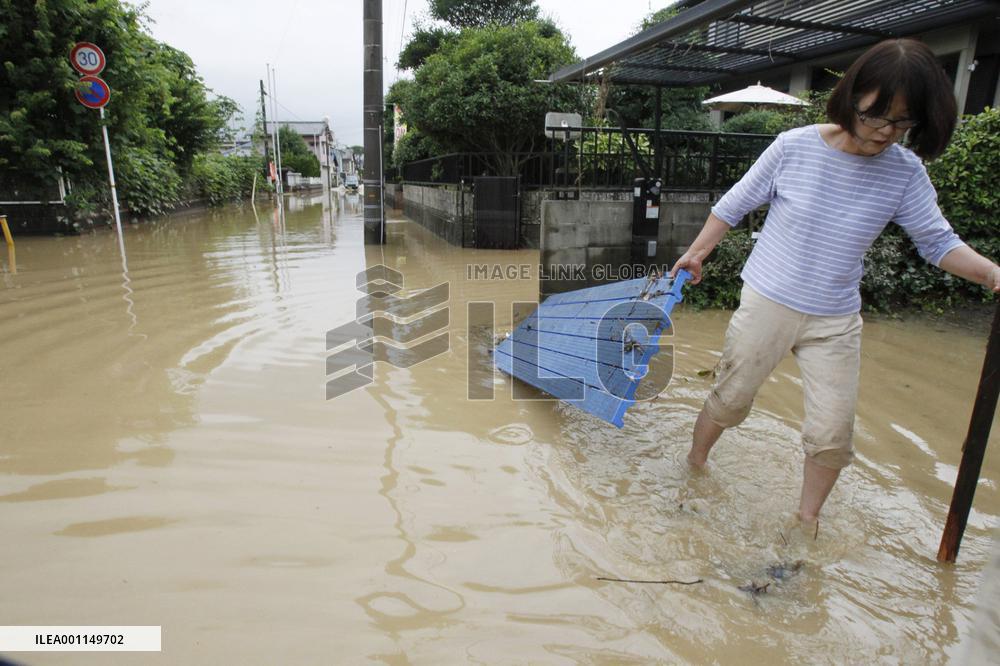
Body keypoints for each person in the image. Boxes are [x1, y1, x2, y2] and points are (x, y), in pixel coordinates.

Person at [670, 38, 1000, 528]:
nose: (887, 132)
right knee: (732, 398)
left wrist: (993, 273)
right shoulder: (794, 147)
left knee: (833, 432)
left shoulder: (905, 173)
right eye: (875, 116)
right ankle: (694, 467)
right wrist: (696, 255)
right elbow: (733, 205)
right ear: (852, 97)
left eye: (903, 123)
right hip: (769, 300)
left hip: (835, 317)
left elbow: (937, 243)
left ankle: (806, 524)